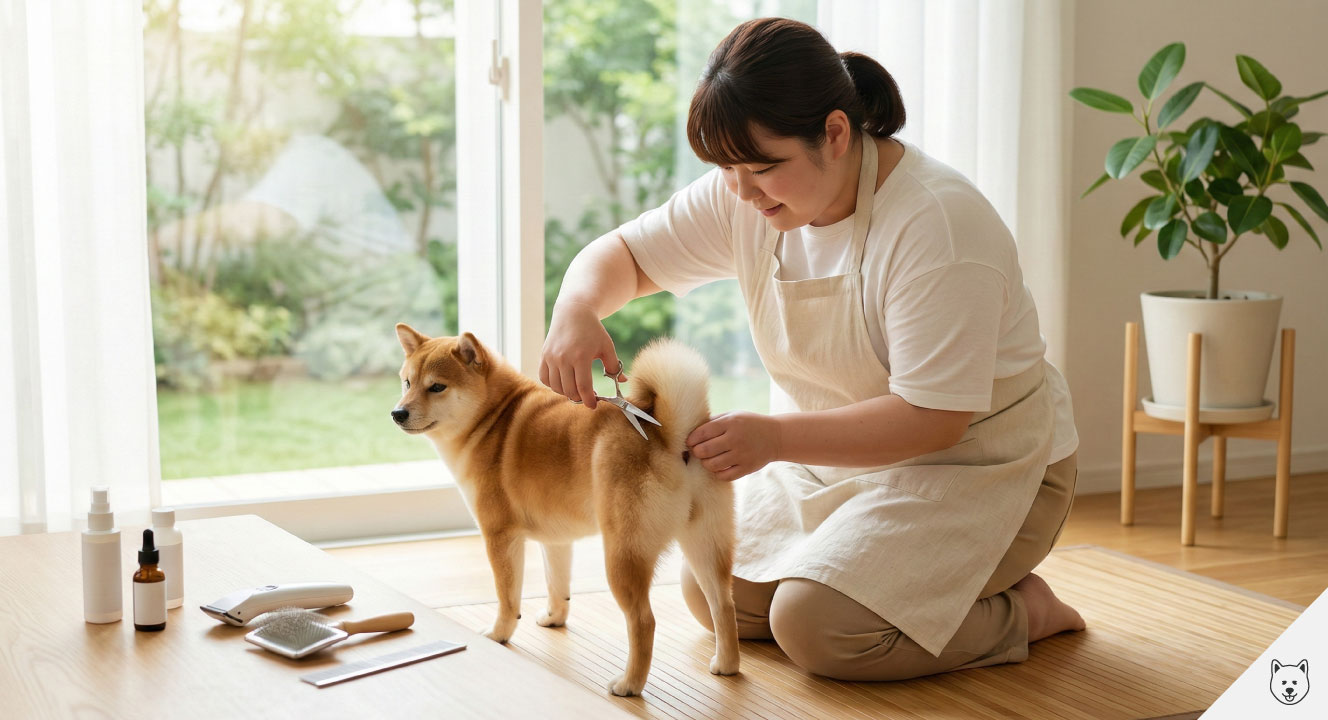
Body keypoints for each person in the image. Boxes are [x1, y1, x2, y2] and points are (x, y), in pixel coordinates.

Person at [539, 17, 1085, 682]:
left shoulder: (936, 226)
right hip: (839, 461)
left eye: (762, 168)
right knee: (715, 594)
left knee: (820, 628)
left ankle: (1024, 611)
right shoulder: (746, 194)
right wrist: (576, 307)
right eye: (727, 169)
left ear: (834, 132)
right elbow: (625, 255)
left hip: (981, 464)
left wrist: (770, 438)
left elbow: (936, 419)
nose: (740, 191)